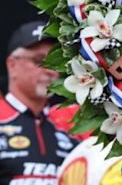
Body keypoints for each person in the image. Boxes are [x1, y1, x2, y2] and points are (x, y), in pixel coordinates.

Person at [0, 21, 79, 184]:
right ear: (12, 65)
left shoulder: (73, 123)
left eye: (55, 62)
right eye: (39, 60)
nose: (49, 70)